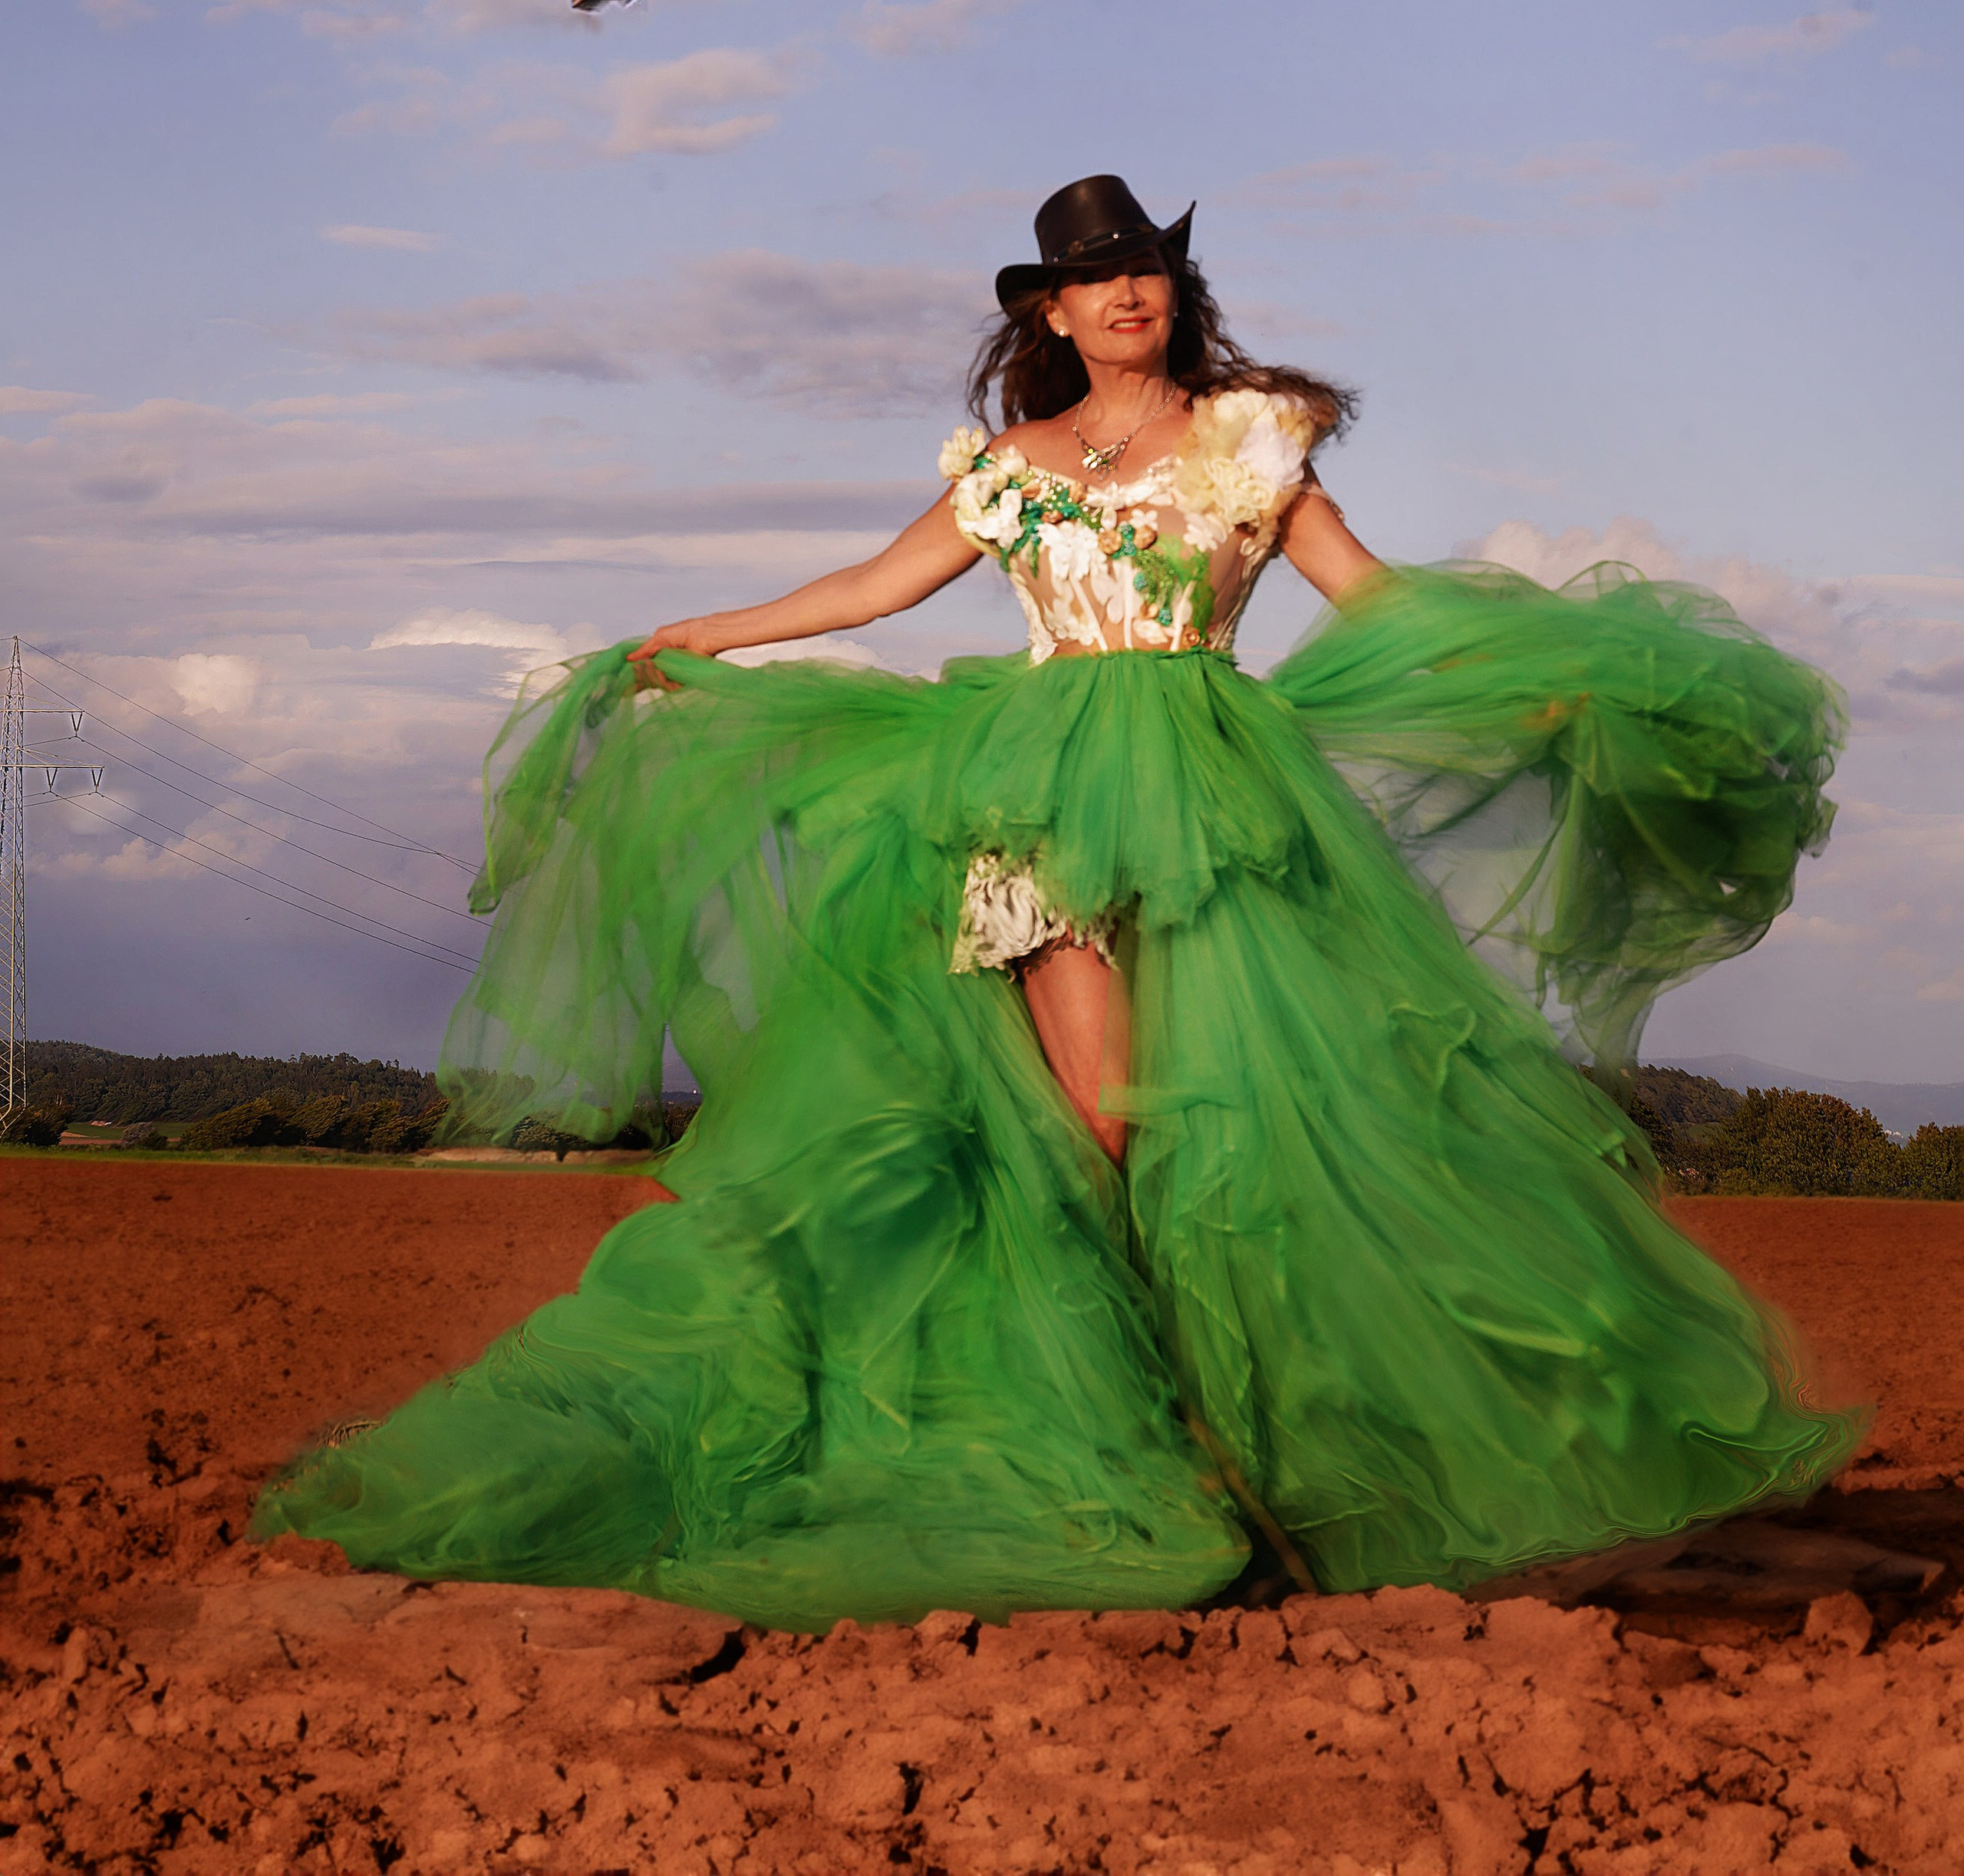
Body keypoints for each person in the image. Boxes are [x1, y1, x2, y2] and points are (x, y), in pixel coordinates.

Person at [261, 176, 1859, 1628]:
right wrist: (711, 632)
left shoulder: (1252, 442)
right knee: (1093, 1120)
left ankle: (1289, 1447)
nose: (1121, 296)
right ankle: (1129, 1430)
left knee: (1254, 1117)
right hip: (1030, 795)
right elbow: (872, 591)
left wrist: (1520, 688)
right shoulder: (1009, 471)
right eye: (1091, 280)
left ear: (1172, 290)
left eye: (1143, 271)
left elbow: (1366, 593)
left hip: (1221, 787)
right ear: (1047, 310)